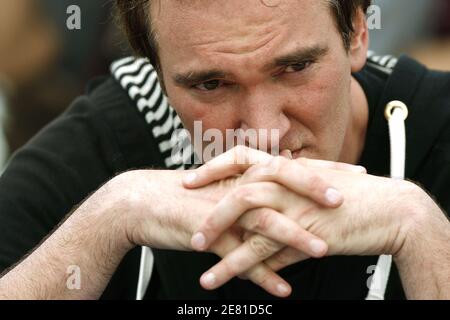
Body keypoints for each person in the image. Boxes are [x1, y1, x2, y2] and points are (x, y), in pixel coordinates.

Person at [0, 0, 449, 300]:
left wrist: (422, 232)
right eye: (211, 84)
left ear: (355, 32)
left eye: (294, 67)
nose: (263, 133)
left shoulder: (437, 125)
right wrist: (111, 218)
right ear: (155, 67)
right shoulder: (106, 146)